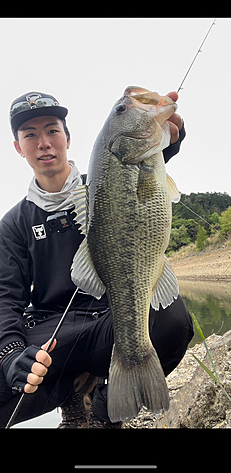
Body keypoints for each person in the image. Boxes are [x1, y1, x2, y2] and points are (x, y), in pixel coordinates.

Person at [0, 91, 194, 428]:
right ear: (19, 147)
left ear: (68, 138)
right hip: (51, 332)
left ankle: (103, 414)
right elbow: (6, 298)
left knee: (173, 321)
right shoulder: (13, 224)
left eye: (52, 130)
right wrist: (11, 355)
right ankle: (74, 393)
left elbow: (139, 184)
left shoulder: (100, 185)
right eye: (30, 134)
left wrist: (167, 144)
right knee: (9, 379)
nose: (44, 142)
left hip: (108, 318)